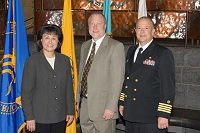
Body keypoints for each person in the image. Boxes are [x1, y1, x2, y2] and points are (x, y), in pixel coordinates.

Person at [119, 16, 175, 133]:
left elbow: (167, 87)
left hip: (150, 116)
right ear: (135, 31)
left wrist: (164, 114)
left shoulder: (162, 53)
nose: (142, 31)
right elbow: (127, 79)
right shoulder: (131, 50)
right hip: (131, 113)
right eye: (139, 28)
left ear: (153, 31)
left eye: (146, 28)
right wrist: (122, 102)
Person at [76, 12, 125, 133]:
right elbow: (82, 74)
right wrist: (77, 100)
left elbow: (117, 80)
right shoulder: (85, 46)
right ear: (88, 27)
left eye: (99, 23)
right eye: (92, 24)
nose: (95, 27)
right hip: (85, 106)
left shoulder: (115, 46)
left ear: (105, 26)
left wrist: (111, 107)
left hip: (104, 108)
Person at [21, 24, 74, 133]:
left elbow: (69, 88)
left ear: (58, 41)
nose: (50, 42)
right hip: (39, 118)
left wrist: (70, 111)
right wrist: (29, 117)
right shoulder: (32, 62)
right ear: (41, 40)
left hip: (60, 117)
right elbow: (26, 92)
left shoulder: (64, 61)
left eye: (54, 38)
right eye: (47, 37)